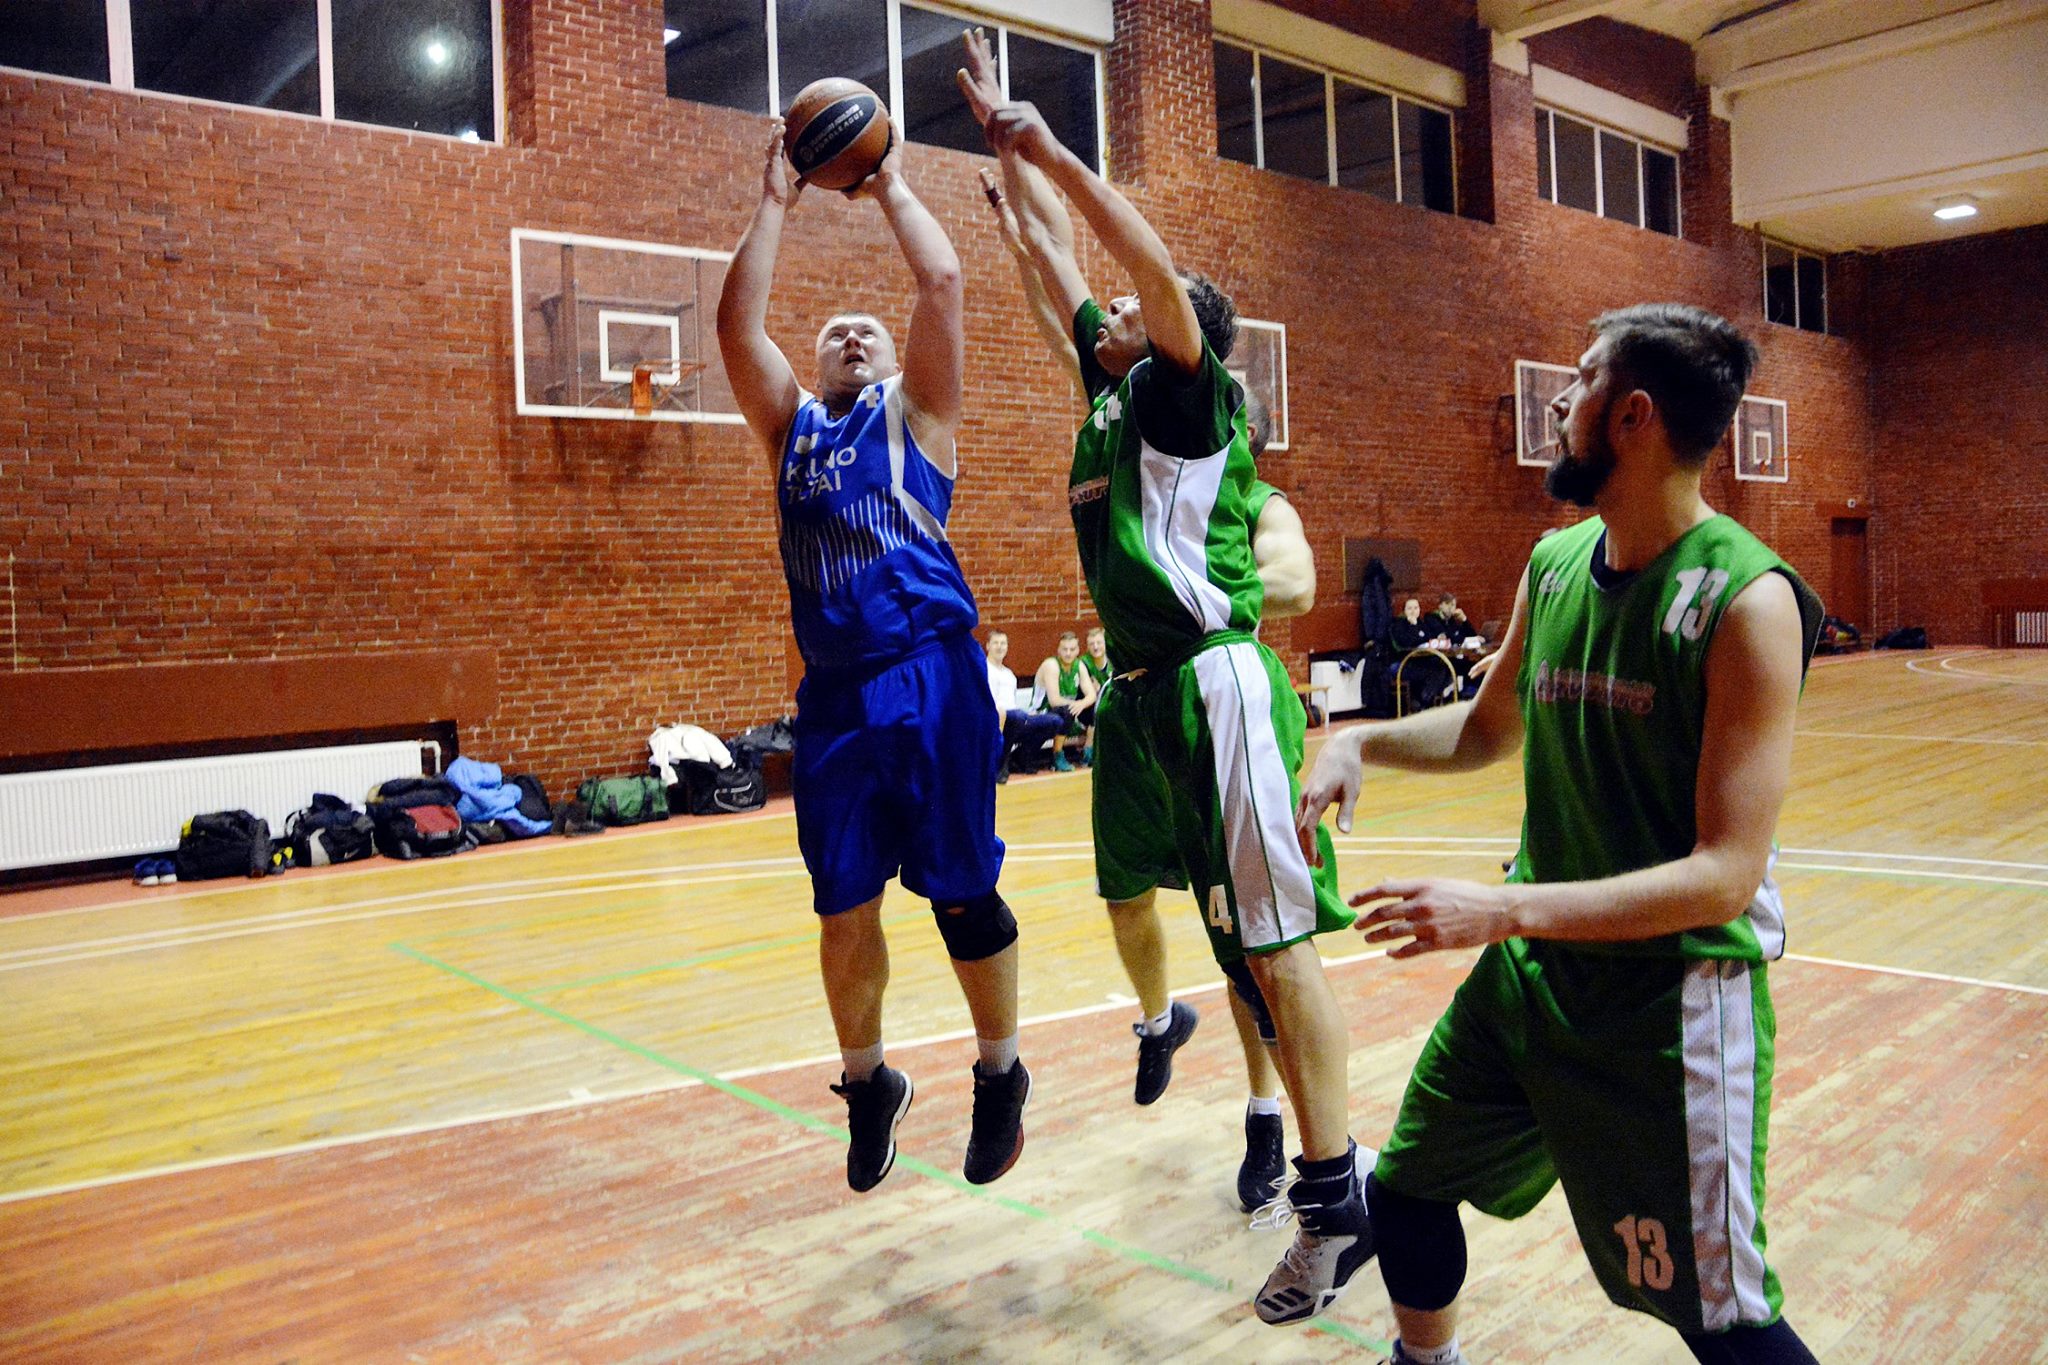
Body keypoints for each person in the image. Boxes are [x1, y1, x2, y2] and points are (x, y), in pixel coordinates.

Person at [1297, 304, 1824, 1365]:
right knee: (1404, 1192)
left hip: (1670, 1002)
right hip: (1534, 981)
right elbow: (1489, 727)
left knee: (1722, 1322)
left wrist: (1499, 908)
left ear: (1632, 416)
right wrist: (1361, 742)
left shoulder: (1748, 603)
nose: (1556, 402)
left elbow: (1723, 878)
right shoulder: (1554, 565)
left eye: (1578, 381)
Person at [959, 30, 1371, 1325]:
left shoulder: (1187, 396)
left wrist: (1055, 152)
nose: (1115, 313)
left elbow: (1125, 260)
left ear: (1179, 329)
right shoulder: (1108, 399)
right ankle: (1315, 1171)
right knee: (1236, 949)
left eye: (1138, 309)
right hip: (1146, 696)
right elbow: (1056, 271)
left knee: (1274, 950)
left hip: (1216, 682)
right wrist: (1008, 167)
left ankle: (1335, 1197)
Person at [714, 117, 1030, 1194]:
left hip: (933, 672)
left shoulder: (920, 415)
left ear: (897, 359)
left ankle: (1000, 1070)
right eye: (834, 331)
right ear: (811, 365)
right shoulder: (790, 431)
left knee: (961, 893)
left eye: (868, 330)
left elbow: (941, 281)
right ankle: (868, 1083)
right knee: (841, 906)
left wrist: (888, 181)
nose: (852, 335)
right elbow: (736, 324)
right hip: (838, 699)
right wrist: (774, 202)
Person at [986, 629, 1065, 780]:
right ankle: (1001, 764)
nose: (1000, 647)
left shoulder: (1009, 674)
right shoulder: (983, 669)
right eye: (996, 643)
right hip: (996, 719)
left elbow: (1012, 703)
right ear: (988, 646)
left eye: (1003, 643)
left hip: (1016, 718)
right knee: (1017, 717)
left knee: (1054, 721)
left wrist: (1027, 714)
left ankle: (1020, 758)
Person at [1034, 631, 1099, 770]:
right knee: (1066, 711)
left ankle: (1088, 751)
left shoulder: (1079, 665)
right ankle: (1057, 756)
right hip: (1041, 712)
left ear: (1078, 650)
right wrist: (1077, 704)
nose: (1068, 653)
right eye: (1065, 649)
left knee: (1094, 706)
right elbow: (1054, 700)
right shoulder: (1051, 665)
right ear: (1058, 650)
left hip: (1068, 712)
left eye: (1072, 649)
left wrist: (1082, 704)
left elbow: (1092, 695)